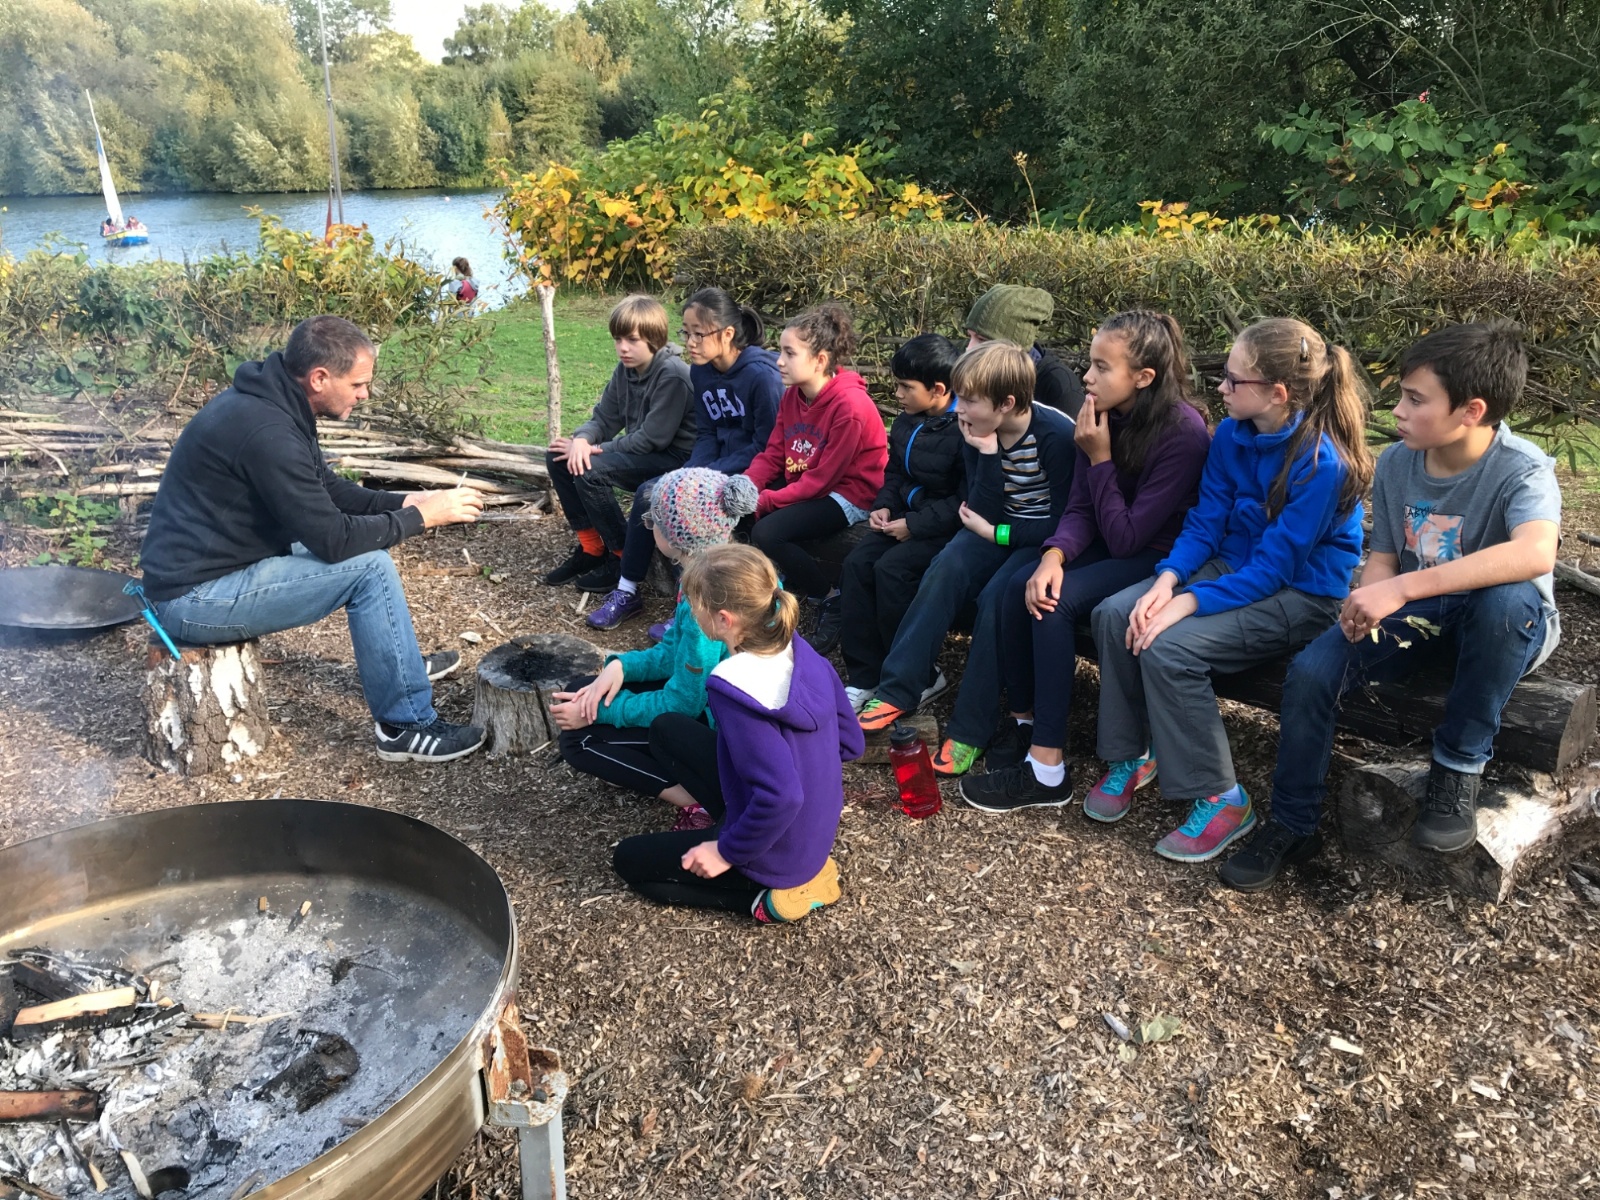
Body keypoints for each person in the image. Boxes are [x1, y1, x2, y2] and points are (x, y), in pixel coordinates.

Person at [1220, 323, 1560, 890]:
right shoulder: (1400, 462)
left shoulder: (1520, 467)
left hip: (1501, 630)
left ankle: (1457, 769)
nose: (1398, 411)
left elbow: (1535, 552)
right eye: (1402, 394)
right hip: (1421, 622)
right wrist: (1368, 598)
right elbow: (1383, 558)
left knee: (1505, 599)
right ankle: (1293, 823)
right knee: (1312, 672)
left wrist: (1400, 590)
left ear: (1471, 411)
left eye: (1415, 399)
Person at [1086, 317, 1374, 861]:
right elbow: (1205, 522)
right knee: (1115, 614)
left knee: (1170, 649)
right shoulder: (1230, 435)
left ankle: (1223, 798)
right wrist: (1168, 579)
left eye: (1233, 380)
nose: (1220, 387)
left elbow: (1275, 570)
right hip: (1231, 567)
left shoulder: (1321, 463)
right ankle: (1133, 754)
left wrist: (1187, 603)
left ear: (1276, 393)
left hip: (1300, 596)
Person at [138, 315, 487, 763]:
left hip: (224, 568)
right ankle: (405, 726)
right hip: (192, 600)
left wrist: (406, 500)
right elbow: (334, 540)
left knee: (369, 552)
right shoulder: (267, 430)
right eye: (358, 384)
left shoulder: (273, 402)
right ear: (320, 378)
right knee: (369, 569)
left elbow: (328, 489)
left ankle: (398, 665)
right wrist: (422, 517)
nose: (365, 394)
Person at [953, 310, 1211, 800]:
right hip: (1109, 539)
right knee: (1019, 586)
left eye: (1101, 367)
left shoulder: (1183, 433)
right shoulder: (1101, 415)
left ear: (1143, 377)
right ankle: (1026, 724)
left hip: (1155, 555)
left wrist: (1100, 457)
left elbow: (1129, 538)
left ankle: (1047, 770)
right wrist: (1053, 555)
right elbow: (1080, 507)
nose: (1086, 377)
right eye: (1089, 363)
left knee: (1054, 604)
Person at [611, 544, 864, 923]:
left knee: (629, 861)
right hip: (812, 828)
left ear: (723, 620)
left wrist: (725, 852)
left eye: (694, 606)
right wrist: (806, 760)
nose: (690, 612)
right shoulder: (799, 648)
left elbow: (783, 796)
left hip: (779, 852)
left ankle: (772, 898)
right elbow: (851, 742)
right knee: (667, 729)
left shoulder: (736, 688)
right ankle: (747, 832)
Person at [858, 340, 1076, 735]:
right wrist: (987, 454)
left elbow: (1064, 522)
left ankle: (970, 728)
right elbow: (982, 506)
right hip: (988, 527)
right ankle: (899, 688)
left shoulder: (1056, 436)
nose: (959, 409)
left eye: (970, 401)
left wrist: (998, 533)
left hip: (1037, 541)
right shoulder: (976, 429)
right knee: (945, 567)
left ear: (1006, 403)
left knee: (995, 598)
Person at [550, 469, 759, 828]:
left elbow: (683, 705)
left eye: (653, 520)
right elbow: (672, 652)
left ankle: (698, 798)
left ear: (678, 535)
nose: (648, 526)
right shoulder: (715, 572)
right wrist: (622, 666)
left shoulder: (705, 606)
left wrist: (605, 713)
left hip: (718, 732)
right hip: (703, 701)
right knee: (582, 691)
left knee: (578, 741)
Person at [586, 287, 781, 632]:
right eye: (685, 332)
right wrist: (690, 474)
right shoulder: (701, 372)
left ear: (727, 334)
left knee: (689, 504)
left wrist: (707, 477)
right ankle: (627, 590)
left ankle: (692, 610)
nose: (689, 342)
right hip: (714, 466)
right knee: (653, 492)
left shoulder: (761, 376)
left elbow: (765, 445)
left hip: (750, 474)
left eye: (697, 334)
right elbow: (706, 434)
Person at [744, 303, 888, 647]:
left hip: (848, 494)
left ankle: (829, 598)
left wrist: (767, 500)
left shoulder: (850, 407)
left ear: (820, 360)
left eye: (789, 353)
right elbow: (774, 453)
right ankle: (773, 588)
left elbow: (822, 480)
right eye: (780, 351)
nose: (779, 361)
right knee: (744, 510)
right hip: (807, 481)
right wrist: (746, 486)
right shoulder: (793, 395)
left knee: (768, 532)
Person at [836, 333, 965, 706]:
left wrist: (915, 526)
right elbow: (895, 472)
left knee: (891, 572)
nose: (897, 394)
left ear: (938, 389)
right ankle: (867, 675)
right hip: (904, 518)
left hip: (945, 529)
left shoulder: (965, 427)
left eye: (906, 387)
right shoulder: (910, 420)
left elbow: (966, 499)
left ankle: (921, 675)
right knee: (857, 564)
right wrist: (884, 505)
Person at [543, 295, 695, 593]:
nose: (623, 348)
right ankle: (591, 548)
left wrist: (595, 450)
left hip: (674, 459)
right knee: (558, 457)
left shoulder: (673, 375)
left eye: (632, 340)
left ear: (654, 338)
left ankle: (621, 556)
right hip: (643, 452)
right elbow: (603, 418)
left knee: (591, 471)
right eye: (618, 339)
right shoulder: (625, 369)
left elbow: (652, 438)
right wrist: (581, 440)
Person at [964, 284, 1085, 419]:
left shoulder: (1059, 386)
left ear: (1014, 345)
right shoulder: (968, 371)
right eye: (970, 336)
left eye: (982, 340)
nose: (969, 348)